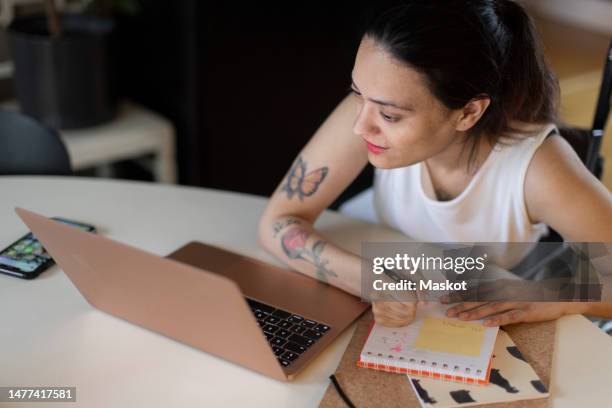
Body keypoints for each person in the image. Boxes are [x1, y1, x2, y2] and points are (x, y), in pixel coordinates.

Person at [258, 0, 612, 327]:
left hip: (456, 311)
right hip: (364, 268)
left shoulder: (537, 168)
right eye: (357, 93)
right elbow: (278, 221)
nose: (359, 125)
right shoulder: (373, 104)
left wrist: (550, 296)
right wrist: (374, 281)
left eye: (390, 115)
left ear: (469, 112)